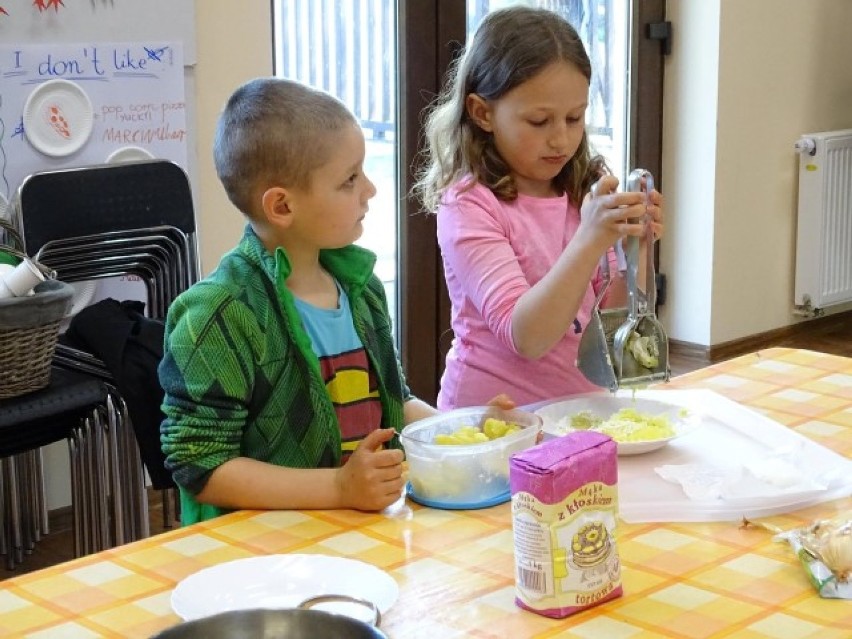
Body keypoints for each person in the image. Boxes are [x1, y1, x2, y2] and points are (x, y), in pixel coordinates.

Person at [159, 78, 441, 525]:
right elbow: (202, 466)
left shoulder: (361, 287)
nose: (369, 189)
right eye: (349, 179)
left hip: (358, 537)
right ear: (282, 207)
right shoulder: (218, 314)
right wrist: (338, 488)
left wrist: (460, 431)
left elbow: (395, 400)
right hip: (262, 558)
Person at [414, 6, 665, 409]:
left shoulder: (584, 184)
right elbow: (526, 337)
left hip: (581, 411)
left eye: (575, 118)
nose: (561, 140)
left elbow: (617, 316)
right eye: (539, 121)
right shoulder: (469, 202)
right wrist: (590, 239)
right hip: (495, 426)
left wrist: (638, 245)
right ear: (483, 113)